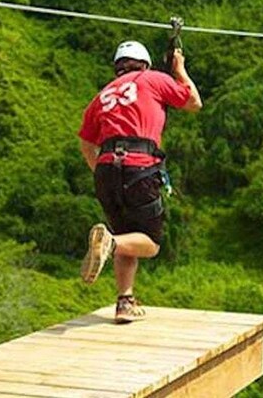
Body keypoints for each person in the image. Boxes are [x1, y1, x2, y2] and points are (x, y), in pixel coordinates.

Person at [78, 40, 202, 323]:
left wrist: (104, 173)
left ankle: (125, 303)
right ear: (143, 64)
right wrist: (179, 69)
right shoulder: (153, 79)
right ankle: (108, 243)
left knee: (127, 237)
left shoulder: (102, 95)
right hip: (140, 168)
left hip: (106, 170)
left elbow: (86, 145)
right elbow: (194, 102)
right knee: (149, 243)